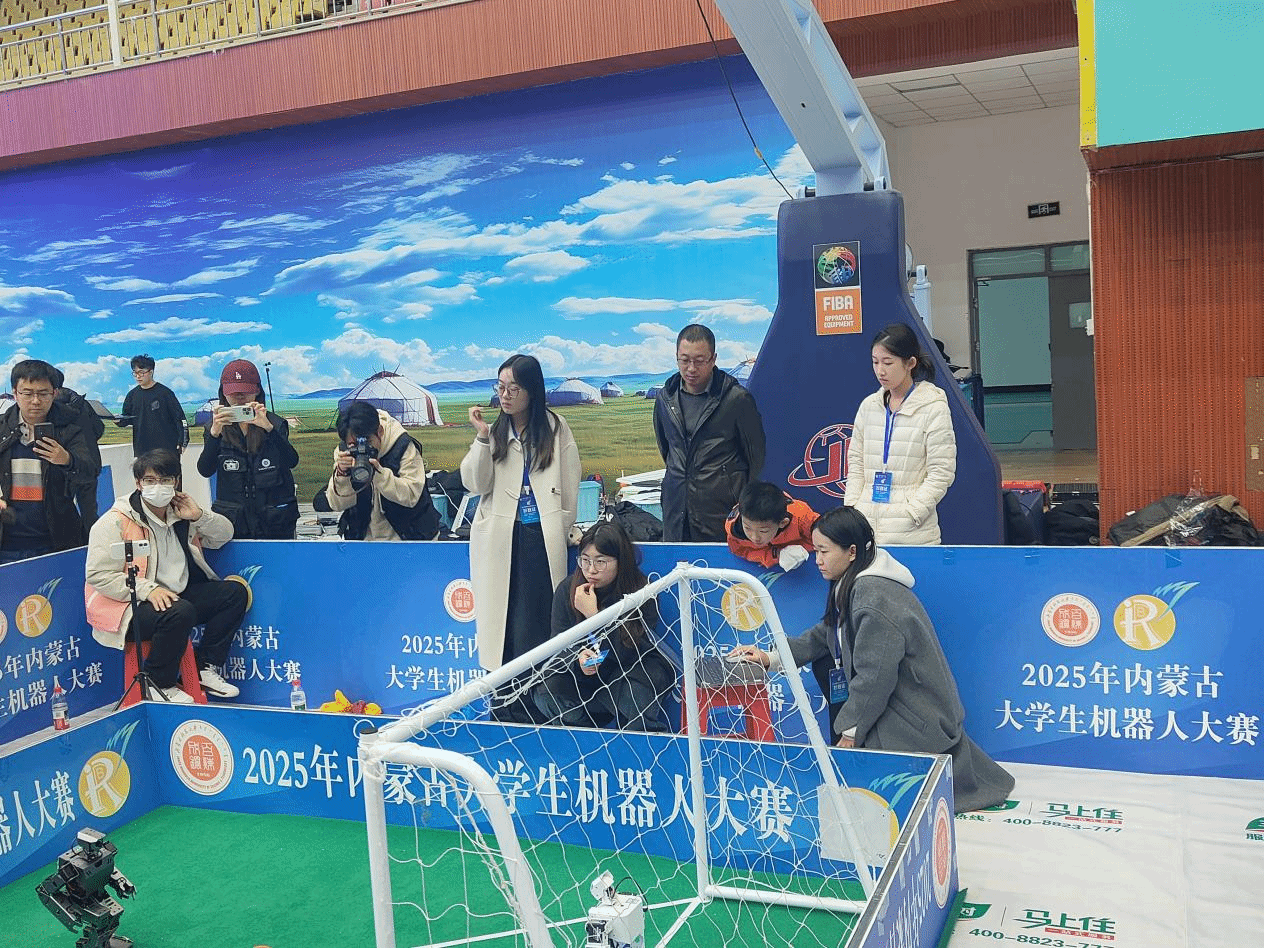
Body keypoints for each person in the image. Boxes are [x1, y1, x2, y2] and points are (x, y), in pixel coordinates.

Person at [728, 507, 1013, 812]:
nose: (817, 560)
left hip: (918, 718)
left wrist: (851, 734)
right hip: (904, 705)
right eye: (816, 551)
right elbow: (825, 634)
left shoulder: (873, 597)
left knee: (869, 793)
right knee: (826, 665)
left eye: (824, 551)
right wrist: (771, 657)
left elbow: (874, 679)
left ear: (852, 552)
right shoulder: (855, 582)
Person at [461, 354, 580, 714]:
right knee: (503, 627)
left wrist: (562, 525)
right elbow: (475, 483)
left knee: (538, 625)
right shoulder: (496, 432)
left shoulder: (555, 428)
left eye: (514, 388)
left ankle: (539, 707)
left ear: (532, 390)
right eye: (500, 387)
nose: (506, 395)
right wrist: (482, 438)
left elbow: (570, 483)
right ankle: (505, 708)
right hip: (501, 542)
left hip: (540, 539)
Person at [84, 449, 247, 703]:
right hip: (130, 607)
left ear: (176, 482)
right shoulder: (115, 521)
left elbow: (224, 535)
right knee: (179, 612)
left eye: (165, 480)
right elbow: (98, 574)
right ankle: (158, 683)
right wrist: (148, 589)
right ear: (138, 484)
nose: (157, 487)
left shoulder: (182, 512)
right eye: (150, 480)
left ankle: (204, 668)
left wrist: (200, 516)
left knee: (234, 593)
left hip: (176, 596)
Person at [532, 521, 673, 732]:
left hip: (628, 672)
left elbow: (631, 651)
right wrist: (578, 658)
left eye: (601, 562)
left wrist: (594, 616)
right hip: (586, 677)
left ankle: (637, 743)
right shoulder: (568, 590)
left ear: (620, 561)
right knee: (547, 690)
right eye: (585, 560)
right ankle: (581, 739)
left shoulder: (642, 591)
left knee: (636, 688)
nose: (591, 570)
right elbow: (557, 646)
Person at [844, 323, 956, 545]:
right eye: (875, 362)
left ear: (910, 363)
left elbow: (942, 471)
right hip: (867, 529)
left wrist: (913, 513)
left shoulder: (933, 407)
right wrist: (853, 508)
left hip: (913, 533)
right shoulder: (869, 406)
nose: (880, 371)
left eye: (888, 363)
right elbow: (855, 462)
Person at [654, 324, 765, 542]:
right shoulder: (665, 399)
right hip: (676, 509)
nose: (691, 368)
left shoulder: (736, 399)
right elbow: (667, 449)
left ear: (713, 359)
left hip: (721, 512)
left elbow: (755, 457)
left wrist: (740, 501)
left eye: (699, 360)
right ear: (676, 358)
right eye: (684, 360)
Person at [0, 359, 100, 562]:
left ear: (54, 393)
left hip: (57, 538)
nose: (35, 401)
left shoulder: (72, 428)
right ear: (15, 393)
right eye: (27, 393)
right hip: (7, 539)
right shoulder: (2, 428)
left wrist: (67, 459)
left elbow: (90, 471)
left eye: (43, 393)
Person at [197, 359, 300, 539]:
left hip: (274, 520)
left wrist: (268, 429)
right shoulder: (215, 428)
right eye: (233, 392)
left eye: (245, 391)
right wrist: (214, 435)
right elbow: (205, 469)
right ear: (223, 393)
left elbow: (291, 461)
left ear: (257, 390)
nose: (239, 397)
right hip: (234, 520)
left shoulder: (275, 424)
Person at [320, 400, 440, 541]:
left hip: (410, 537)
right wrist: (342, 475)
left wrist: (379, 474)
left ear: (380, 431)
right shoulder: (344, 452)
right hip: (365, 539)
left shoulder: (403, 447)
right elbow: (337, 504)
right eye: (353, 444)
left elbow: (411, 496)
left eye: (367, 442)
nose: (361, 449)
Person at [51, 366, 105, 531]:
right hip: (90, 463)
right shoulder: (82, 403)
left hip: (65, 467)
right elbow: (99, 428)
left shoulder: (52, 408)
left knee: (62, 514)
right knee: (90, 513)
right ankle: (93, 543)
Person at [725, 480, 818, 570]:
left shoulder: (803, 518)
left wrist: (801, 548)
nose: (754, 537)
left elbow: (822, 539)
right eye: (747, 528)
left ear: (782, 523)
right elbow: (741, 551)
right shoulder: (734, 530)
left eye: (763, 531)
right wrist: (775, 554)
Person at [117, 354, 187, 456]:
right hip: (142, 450)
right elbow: (127, 419)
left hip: (167, 449)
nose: (138, 376)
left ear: (151, 372)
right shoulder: (132, 395)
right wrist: (116, 420)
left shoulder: (165, 393)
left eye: (141, 372)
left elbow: (180, 418)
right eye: (135, 373)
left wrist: (183, 441)